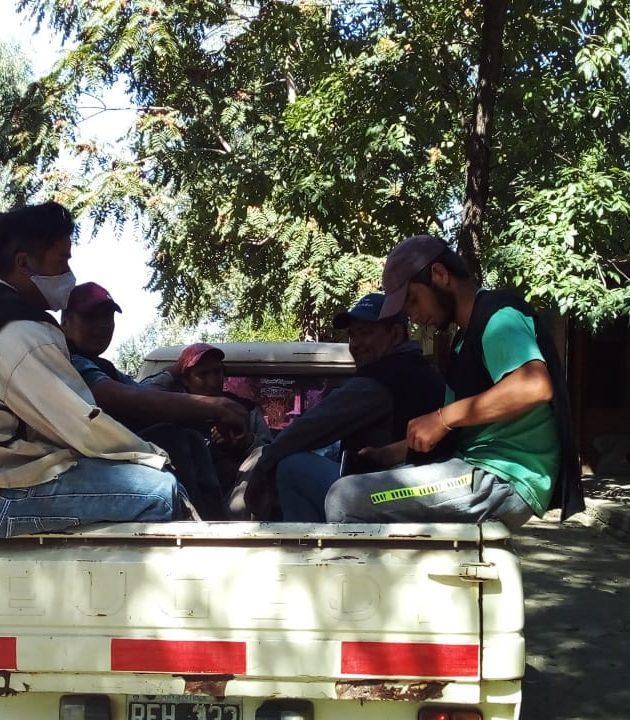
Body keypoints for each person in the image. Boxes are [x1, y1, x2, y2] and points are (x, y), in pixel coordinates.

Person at [325, 235, 584, 528]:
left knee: (345, 499)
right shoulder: (463, 341)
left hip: (502, 477)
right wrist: (387, 455)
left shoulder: (498, 317)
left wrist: (442, 418)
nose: (413, 316)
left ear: (439, 274)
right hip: (476, 469)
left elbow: (533, 386)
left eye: (413, 300)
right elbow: (455, 429)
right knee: (355, 483)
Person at [0, 201, 181, 537]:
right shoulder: (23, 334)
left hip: (15, 473)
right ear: (24, 263)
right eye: (62, 261)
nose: (69, 274)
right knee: (159, 490)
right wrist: (154, 456)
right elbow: (81, 425)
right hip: (6, 492)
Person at [243, 292, 446, 521]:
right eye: (352, 335)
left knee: (291, 466)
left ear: (396, 334)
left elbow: (315, 425)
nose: (355, 344)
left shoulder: (385, 377)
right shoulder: (422, 370)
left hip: (392, 495)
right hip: (416, 492)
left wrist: (265, 464)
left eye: (365, 333)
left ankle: (304, 542)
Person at [61, 282, 249, 520]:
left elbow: (141, 391)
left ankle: (210, 525)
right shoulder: (69, 361)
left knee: (188, 438)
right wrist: (217, 406)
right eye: (90, 317)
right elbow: (122, 397)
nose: (102, 325)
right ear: (65, 322)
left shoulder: (103, 366)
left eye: (107, 317)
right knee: (172, 439)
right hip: (80, 472)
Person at [144, 342, 273, 507]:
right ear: (185, 380)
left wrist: (245, 442)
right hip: (185, 500)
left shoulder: (245, 409)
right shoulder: (171, 409)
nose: (213, 381)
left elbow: (270, 455)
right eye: (203, 374)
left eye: (217, 372)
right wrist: (173, 371)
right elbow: (142, 394)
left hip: (238, 499)